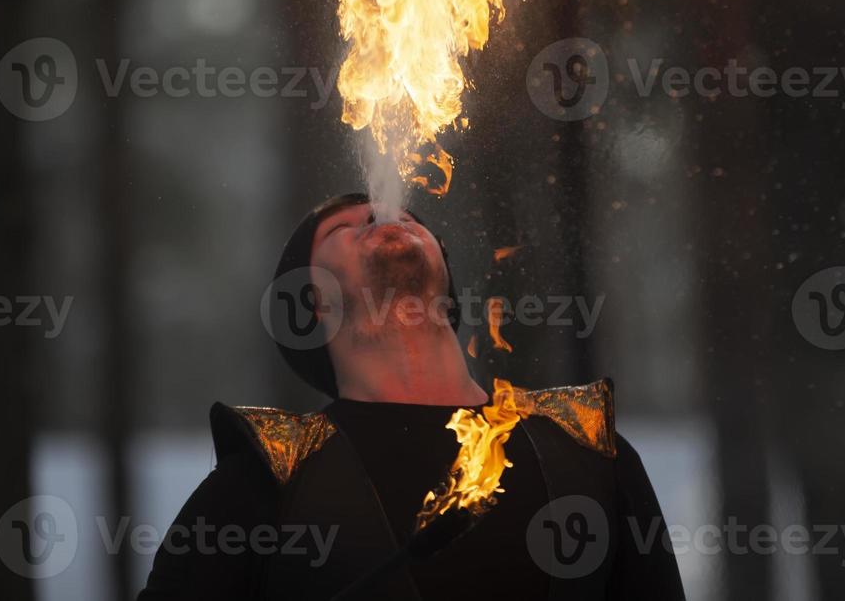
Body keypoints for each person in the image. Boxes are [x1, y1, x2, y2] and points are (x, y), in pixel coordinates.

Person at [139, 192, 686, 600]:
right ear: (311, 302)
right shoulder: (267, 480)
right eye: (342, 227)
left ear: (446, 279)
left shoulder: (584, 450)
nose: (381, 216)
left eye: (402, 216)